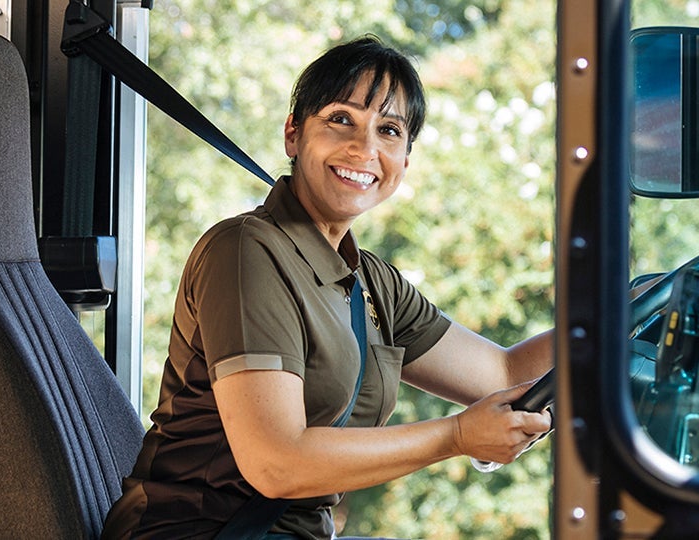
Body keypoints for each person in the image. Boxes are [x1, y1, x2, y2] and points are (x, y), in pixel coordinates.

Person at [100, 35, 554, 539]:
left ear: (405, 159)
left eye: (388, 130)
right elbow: (277, 463)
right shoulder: (246, 251)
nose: (364, 149)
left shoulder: (373, 283)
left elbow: (505, 371)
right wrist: (457, 436)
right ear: (293, 135)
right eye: (341, 120)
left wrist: (618, 315)